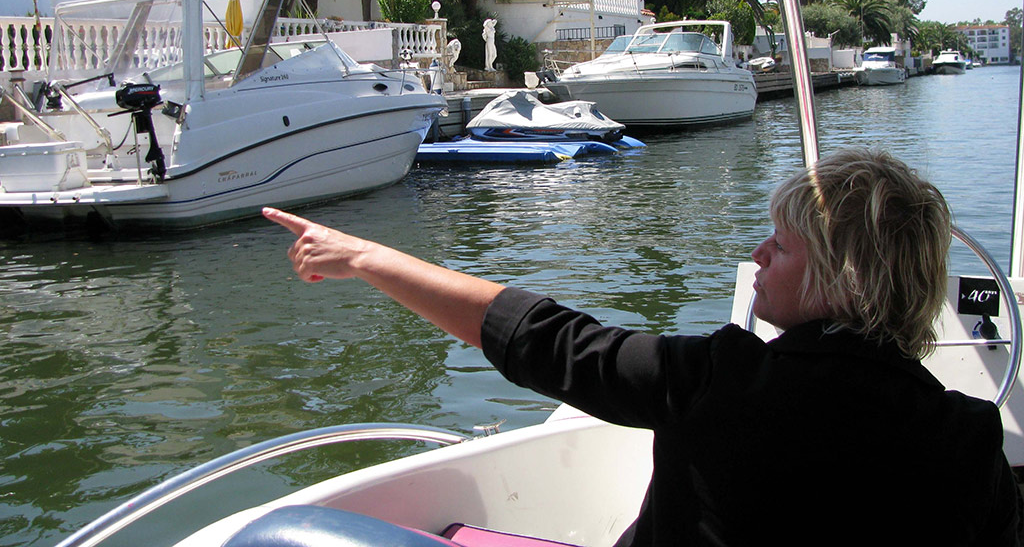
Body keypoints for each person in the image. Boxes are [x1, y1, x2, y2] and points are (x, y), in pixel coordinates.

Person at [264, 147, 1022, 546]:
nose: (757, 254)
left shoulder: (724, 381)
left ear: (839, 277)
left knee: (277, 537)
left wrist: (365, 256)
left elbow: (547, 341)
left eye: (782, 244)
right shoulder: (971, 437)